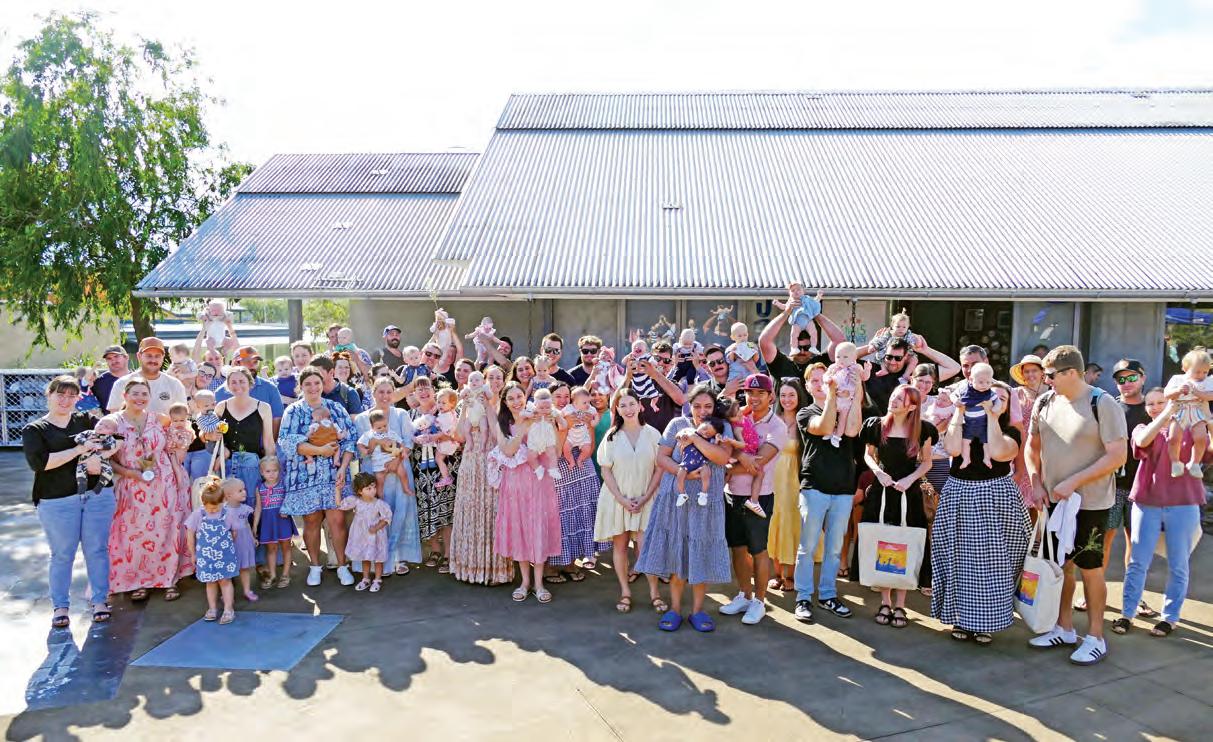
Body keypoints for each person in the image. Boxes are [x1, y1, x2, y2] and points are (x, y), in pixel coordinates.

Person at [1026, 345, 1127, 666]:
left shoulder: (1103, 403)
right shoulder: (1044, 401)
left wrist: (1074, 481)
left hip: (1091, 503)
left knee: (1091, 568)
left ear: (1071, 373)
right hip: (1054, 501)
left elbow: (1117, 456)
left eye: (1050, 375)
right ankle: (1064, 628)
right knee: (1061, 567)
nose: (1045, 380)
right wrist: (1036, 481)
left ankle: (1096, 637)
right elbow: (1032, 446)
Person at [932, 381, 1030, 645]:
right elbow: (952, 449)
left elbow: (999, 452)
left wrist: (991, 417)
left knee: (994, 563)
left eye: (1000, 399)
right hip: (959, 492)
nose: (992, 401)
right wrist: (959, 410)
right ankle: (961, 618)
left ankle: (986, 621)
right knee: (957, 558)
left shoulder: (1011, 431)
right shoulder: (960, 423)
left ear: (1007, 407)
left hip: (995, 496)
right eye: (988, 396)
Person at [635, 384, 733, 633]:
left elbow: (722, 458)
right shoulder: (677, 424)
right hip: (676, 499)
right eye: (697, 406)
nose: (702, 411)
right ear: (689, 405)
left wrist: (696, 437)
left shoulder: (722, 426)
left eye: (708, 406)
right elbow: (662, 458)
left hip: (706, 502)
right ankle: (675, 609)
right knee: (677, 553)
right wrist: (686, 475)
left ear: (714, 407)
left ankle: (698, 611)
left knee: (701, 553)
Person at [23, 375, 118, 627]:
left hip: (97, 495)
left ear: (78, 398)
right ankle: (61, 607)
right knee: (62, 554)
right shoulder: (35, 430)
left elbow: (115, 441)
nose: (66, 400)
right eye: (60, 394)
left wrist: (101, 456)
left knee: (97, 550)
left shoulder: (87, 420)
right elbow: (41, 464)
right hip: (57, 499)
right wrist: (79, 450)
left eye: (71, 395)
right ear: (49, 395)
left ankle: (100, 600)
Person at [1113, 388, 1207, 637]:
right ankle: (1127, 613)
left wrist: (1205, 413)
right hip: (1147, 503)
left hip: (1184, 503)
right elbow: (1142, 442)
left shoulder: (1192, 430)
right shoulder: (1143, 428)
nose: (1154, 407)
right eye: (1151, 403)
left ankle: (1169, 618)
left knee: (1178, 564)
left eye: (1161, 402)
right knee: (1137, 562)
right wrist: (1166, 414)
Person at [106, 377, 194, 602]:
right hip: (131, 484)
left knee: (168, 530)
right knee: (134, 534)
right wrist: (129, 473)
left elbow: (181, 434)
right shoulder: (113, 423)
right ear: (125, 396)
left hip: (164, 483)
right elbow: (106, 458)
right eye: (135, 393)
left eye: (144, 394)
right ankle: (139, 581)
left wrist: (182, 445)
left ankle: (169, 579)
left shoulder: (160, 419)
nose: (140, 398)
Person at [861, 386, 937, 629]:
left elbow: (926, 462)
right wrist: (878, 473)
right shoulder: (876, 425)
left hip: (908, 493)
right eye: (893, 396)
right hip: (882, 491)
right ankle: (885, 602)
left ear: (912, 406)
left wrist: (910, 479)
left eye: (900, 399)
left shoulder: (924, 429)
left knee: (906, 545)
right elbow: (868, 455)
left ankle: (901, 605)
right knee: (883, 543)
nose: (893, 401)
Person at [278, 366, 359, 587]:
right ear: (300, 386)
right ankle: (314, 566)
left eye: (317, 383)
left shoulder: (335, 408)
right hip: (305, 476)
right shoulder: (293, 411)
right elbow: (287, 442)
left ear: (323, 384)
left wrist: (343, 467)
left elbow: (350, 439)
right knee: (311, 521)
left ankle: (342, 565)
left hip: (334, 474)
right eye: (308, 384)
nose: (313, 388)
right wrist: (320, 451)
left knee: (337, 520)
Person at [718, 374, 788, 627]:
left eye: (760, 393)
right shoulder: (738, 415)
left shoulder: (777, 426)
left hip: (759, 497)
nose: (754, 397)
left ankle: (759, 600)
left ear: (771, 396)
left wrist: (727, 468)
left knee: (758, 550)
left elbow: (759, 462)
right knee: (737, 548)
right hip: (731, 493)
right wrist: (733, 462)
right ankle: (744, 595)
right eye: (749, 392)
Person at [793, 372, 863, 623]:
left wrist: (856, 386)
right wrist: (833, 393)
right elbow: (823, 427)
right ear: (808, 386)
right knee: (808, 546)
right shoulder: (806, 412)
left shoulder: (846, 409)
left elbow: (853, 430)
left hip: (843, 488)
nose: (822, 383)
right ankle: (803, 597)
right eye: (815, 380)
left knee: (834, 548)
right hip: (814, 486)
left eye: (825, 378)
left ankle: (827, 595)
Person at [593, 389, 666, 614]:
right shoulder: (611, 436)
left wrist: (645, 497)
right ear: (617, 409)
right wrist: (621, 499)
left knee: (645, 548)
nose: (628, 409)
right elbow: (606, 470)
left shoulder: (653, 434)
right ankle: (625, 592)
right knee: (621, 547)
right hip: (618, 499)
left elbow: (660, 468)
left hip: (646, 498)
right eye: (622, 405)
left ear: (640, 405)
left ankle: (654, 593)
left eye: (631, 403)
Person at [493, 382, 563, 603]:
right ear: (505, 402)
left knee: (538, 527)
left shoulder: (541, 416)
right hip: (515, 484)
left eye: (519, 396)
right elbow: (508, 451)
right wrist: (523, 425)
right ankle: (525, 582)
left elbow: (557, 450)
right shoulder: (502, 423)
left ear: (526, 397)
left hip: (539, 481)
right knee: (521, 529)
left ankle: (539, 583)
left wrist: (550, 424)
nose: (516, 401)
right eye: (511, 398)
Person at [1101, 358, 1158, 617]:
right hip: (1111, 486)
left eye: (1132, 377)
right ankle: (1094, 593)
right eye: (1121, 379)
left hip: (1143, 488)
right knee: (1103, 541)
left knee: (1136, 546)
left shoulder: (1153, 408)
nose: (1126, 383)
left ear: (1143, 377)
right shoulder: (1110, 407)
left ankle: (1135, 597)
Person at [448, 375, 514, 586]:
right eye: (490, 377)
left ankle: (494, 570)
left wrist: (488, 407)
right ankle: (469, 567)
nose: (495, 381)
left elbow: (498, 438)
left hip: (492, 465)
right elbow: (459, 436)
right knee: (469, 510)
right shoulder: (470, 402)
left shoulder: (506, 408)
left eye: (498, 378)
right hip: (471, 463)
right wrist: (464, 408)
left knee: (492, 513)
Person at [353, 378, 420, 576]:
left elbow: (408, 442)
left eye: (388, 392)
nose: (385, 396)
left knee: (400, 513)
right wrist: (374, 447)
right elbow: (361, 451)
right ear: (373, 393)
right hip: (374, 472)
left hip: (399, 469)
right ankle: (376, 560)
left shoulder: (401, 414)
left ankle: (398, 557)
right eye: (380, 392)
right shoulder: (362, 419)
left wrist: (396, 461)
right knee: (376, 514)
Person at [547, 384, 608, 582]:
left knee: (583, 511)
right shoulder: (547, 417)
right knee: (562, 514)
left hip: (582, 465)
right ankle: (553, 565)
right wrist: (566, 426)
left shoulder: (583, 412)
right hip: (559, 466)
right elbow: (556, 452)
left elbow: (591, 443)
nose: (563, 400)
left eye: (566, 396)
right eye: (558, 396)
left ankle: (572, 562)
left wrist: (587, 426)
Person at [409, 377, 460, 571]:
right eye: (419, 389)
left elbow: (457, 434)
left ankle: (448, 554)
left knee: (446, 509)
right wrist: (415, 439)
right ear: (414, 394)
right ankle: (435, 550)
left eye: (427, 388)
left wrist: (436, 436)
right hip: (421, 470)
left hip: (444, 465)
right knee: (427, 509)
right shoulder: (411, 414)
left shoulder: (445, 408)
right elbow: (406, 439)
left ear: (433, 390)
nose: (423, 393)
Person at [767, 377, 807, 592]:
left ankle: (790, 575)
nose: (787, 399)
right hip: (771, 480)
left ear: (799, 396)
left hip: (794, 482)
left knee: (792, 525)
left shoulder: (805, 421)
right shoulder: (772, 420)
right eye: (783, 395)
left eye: (791, 395)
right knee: (774, 522)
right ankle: (777, 574)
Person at [185, 476, 238, 624]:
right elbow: (190, 534)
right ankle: (212, 608)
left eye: (216, 507)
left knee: (225, 581)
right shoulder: (198, 514)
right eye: (210, 508)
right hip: (206, 556)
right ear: (203, 503)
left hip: (225, 555)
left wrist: (228, 547)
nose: (213, 510)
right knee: (210, 582)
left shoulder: (227, 513)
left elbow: (234, 532)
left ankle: (228, 609)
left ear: (223, 501)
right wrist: (193, 554)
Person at [339, 472, 393, 592]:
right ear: (360, 491)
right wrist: (338, 490)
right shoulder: (356, 501)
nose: (373, 491)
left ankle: (377, 579)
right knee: (365, 557)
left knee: (378, 558)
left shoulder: (379, 504)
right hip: (362, 535)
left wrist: (377, 527)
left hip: (375, 535)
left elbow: (387, 518)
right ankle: (366, 578)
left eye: (374, 487)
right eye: (368, 488)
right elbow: (341, 505)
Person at [1163, 349, 1213, 478]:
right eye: (1197, 371)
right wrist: (1178, 391)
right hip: (1180, 409)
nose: (1201, 375)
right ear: (1185, 369)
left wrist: (1197, 392)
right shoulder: (1177, 379)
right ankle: (1175, 462)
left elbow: (1210, 396)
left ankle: (1195, 463)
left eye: (1205, 372)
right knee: (1173, 438)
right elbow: (1166, 394)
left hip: (1197, 409)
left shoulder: (1208, 381)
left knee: (1201, 438)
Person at [107, 337, 188, 416]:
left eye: (157, 356)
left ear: (163, 357)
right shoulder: (122, 384)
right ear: (139, 356)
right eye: (149, 356)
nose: (153, 360)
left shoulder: (175, 385)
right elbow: (114, 419)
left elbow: (182, 418)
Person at [1009, 354, 1049, 507]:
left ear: (1042, 372)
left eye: (1034, 370)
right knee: (1021, 498)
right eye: (1026, 371)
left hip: (1046, 447)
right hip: (1022, 447)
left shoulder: (1053, 392)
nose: (1030, 374)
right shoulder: (1015, 393)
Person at [254, 455, 296, 589]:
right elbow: (258, 507)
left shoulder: (283, 484)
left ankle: (285, 574)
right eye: (268, 471)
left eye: (275, 470)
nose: (272, 474)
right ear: (262, 472)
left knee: (286, 546)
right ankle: (272, 575)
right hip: (268, 522)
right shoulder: (260, 487)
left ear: (279, 470)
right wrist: (255, 526)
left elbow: (290, 499)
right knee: (271, 549)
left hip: (282, 520)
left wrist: (286, 509)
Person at [220, 478, 258, 603]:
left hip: (244, 541)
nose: (244, 492)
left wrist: (252, 538)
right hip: (230, 543)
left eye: (244, 489)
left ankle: (247, 591)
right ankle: (227, 592)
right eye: (240, 491)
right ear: (229, 495)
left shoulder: (245, 509)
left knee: (244, 567)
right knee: (229, 569)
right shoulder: (223, 511)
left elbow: (246, 523)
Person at [93, 344, 130, 412]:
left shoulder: (137, 379)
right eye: (109, 358)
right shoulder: (99, 382)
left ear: (126, 357)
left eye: (116, 356)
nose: (113, 361)